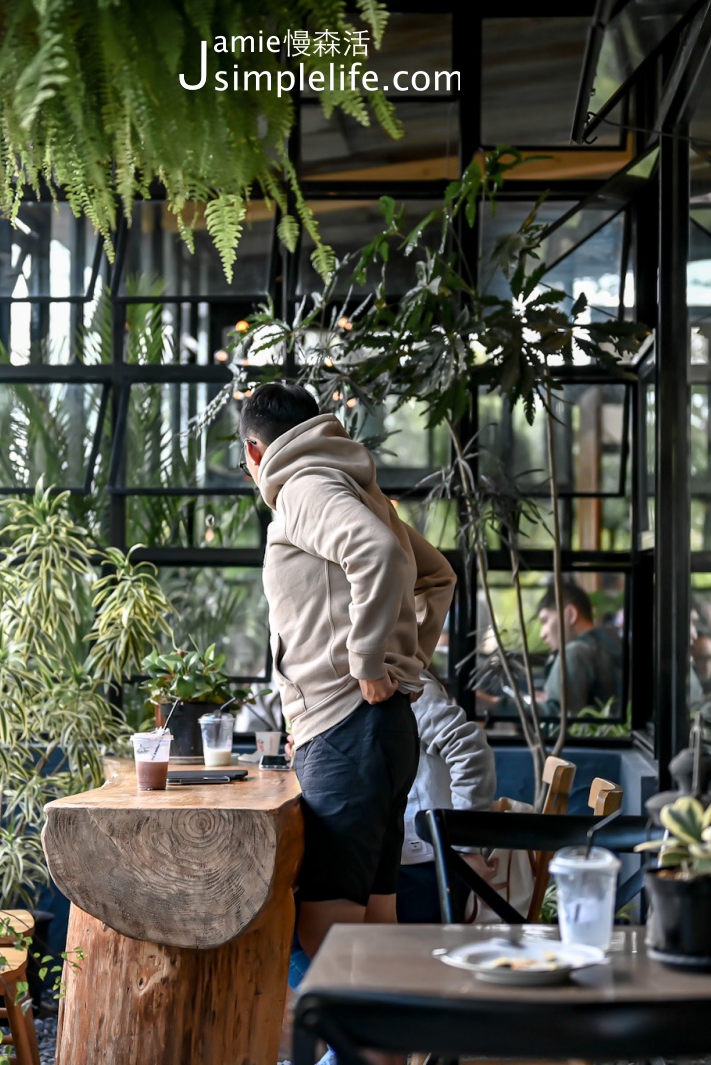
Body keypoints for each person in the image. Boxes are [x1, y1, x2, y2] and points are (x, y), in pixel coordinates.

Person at [240, 382, 456, 960]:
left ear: (256, 452)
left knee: (326, 932)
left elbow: (379, 556)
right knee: (373, 922)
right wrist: (402, 662)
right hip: (376, 731)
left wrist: (369, 663)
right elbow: (437, 576)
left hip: (347, 732)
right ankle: (369, 1050)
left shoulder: (304, 489)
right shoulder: (353, 488)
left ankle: (348, 1048)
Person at [397, 671, 497, 924]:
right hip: (411, 858)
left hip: (424, 866)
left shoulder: (404, 685)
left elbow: (470, 749)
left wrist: (465, 846)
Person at [537, 579, 623, 719]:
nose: (542, 634)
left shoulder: (573, 652)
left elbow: (556, 723)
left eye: (545, 620)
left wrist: (497, 704)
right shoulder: (614, 643)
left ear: (570, 614)